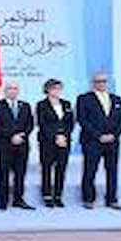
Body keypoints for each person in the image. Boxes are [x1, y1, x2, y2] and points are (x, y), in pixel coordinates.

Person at [77, 72, 121, 210]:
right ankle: (88, 199)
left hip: (112, 141)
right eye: (98, 81)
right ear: (93, 83)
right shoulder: (84, 99)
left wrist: (114, 135)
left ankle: (112, 199)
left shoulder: (116, 99)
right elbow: (83, 120)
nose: (101, 83)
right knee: (90, 170)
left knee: (112, 171)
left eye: (104, 81)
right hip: (92, 141)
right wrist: (99, 136)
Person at [0, 82, 35, 210]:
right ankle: (3, 200)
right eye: (10, 88)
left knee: (20, 174)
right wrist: (12, 136)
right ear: (5, 91)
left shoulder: (25, 106)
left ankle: (18, 199)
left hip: (22, 145)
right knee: (3, 174)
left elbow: (30, 124)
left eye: (15, 88)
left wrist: (22, 135)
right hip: (4, 145)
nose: (13, 91)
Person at [36, 79, 74, 208]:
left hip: (64, 141)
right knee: (47, 168)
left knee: (61, 168)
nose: (57, 91)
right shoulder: (41, 105)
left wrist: (63, 136)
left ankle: (58, 196)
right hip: (47, 141)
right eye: (54, 88)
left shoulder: (66, 104)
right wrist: (56, 136)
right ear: (47, 90)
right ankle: (47, 196)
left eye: (59, 88)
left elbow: (70, 123)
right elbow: (43, 124)